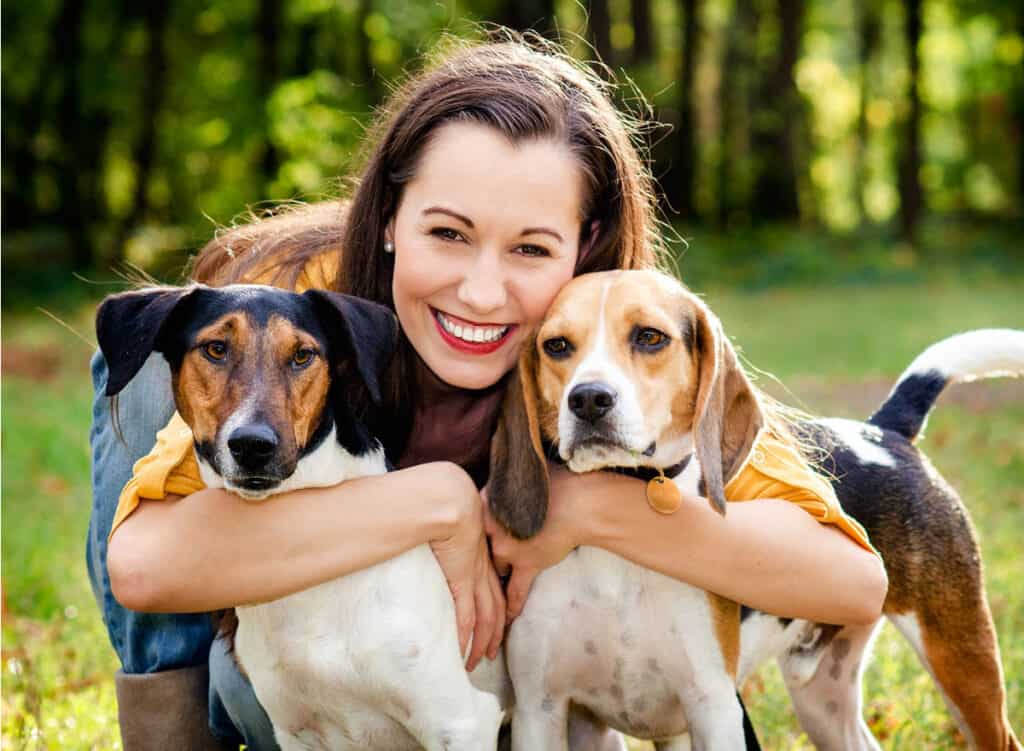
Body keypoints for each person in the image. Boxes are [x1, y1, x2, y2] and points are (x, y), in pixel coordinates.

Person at [88, 34, 887, 750]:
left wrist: (586, 506)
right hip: (286, 680)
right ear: (391, 216)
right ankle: (172, 730)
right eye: (448, 232)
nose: (479, 290)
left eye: (533, 248)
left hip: (472, 687)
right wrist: (441, 503)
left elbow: (851, 582)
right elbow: (148, 567)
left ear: (587, 248)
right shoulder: (302, 311)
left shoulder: (618, 345)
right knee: (162, 368)